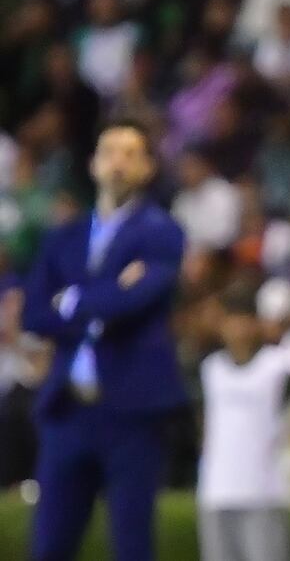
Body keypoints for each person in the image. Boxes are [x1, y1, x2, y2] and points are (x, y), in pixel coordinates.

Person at [22, 120, 188, 561]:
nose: (119, 162)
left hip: (132, 411)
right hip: (68, 408)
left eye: (131, 153)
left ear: (149, 168)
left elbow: (135, 303)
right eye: (110, 151)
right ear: (93, 163)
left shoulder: (162, 231)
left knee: (132, 543)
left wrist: (72, 299)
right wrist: (109, 293)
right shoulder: (64, 236)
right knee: (50, 544)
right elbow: (34, 313)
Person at [196, 282, 290, 561]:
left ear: (256, 324)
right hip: (217, 489)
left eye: (244, 322)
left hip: (262, 489)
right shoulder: (211, 369)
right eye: (232, 322)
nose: (238, 330)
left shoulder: (276, 366)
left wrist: (288, 433)